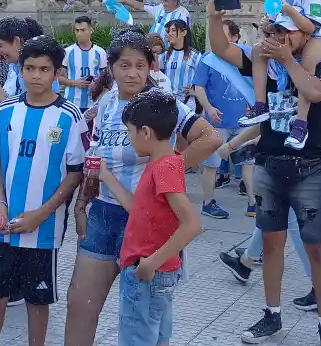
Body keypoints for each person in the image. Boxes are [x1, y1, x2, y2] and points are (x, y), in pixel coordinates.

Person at [64, 32, 220, 346]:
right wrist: (82, 204)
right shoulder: (107, 102)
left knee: (143, 318)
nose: (132, 73)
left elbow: (210, 138)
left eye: (140, 65)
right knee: (80, 305)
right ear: (111, 67)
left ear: (150, 67)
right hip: (105, 213)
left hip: (148, 221)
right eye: (124, 65)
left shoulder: (161, 103)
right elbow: (97, 157)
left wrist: (167, 171)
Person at [207, 0, 321, 346]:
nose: (280, 38)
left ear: (303, 35)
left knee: (316, 248)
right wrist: (213, 16)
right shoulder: (265, 63)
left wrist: (288, 59)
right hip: (269, 166)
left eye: (287, 33)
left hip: (309, 168)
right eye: (275, 31)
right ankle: (272, 315)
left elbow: (316, 90)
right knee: (270, 245)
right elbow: (223, 49)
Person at [0, 36, 86, 346]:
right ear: (20, 69)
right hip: (5, 225)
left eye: (44, 69)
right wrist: (0, 203)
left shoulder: (69, 116)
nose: (36, 76)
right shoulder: (7, 111)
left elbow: (74, 175)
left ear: (57, 72)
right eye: (29, 68)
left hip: (44, 230)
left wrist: (40, 214)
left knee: (37, 301)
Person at [99, 91, 201, 346]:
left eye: (129, 132)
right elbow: (139, 210)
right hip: (156, 273)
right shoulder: (165, 163)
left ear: (145, 132)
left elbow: (192, 224)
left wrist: (152, 262)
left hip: (147, 273)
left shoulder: (163, 168)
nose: (129, 139)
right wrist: (108, 177)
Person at [239, 0, 321, 151]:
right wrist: (265, 28)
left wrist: (290, 10)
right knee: (258, 49)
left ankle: (301, 124)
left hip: (317, 37)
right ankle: (261, 105)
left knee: (308, 62)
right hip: (289, 37)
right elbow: (271, 24)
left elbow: (310, 27)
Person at [192, 19, 254, 218]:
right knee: (211, 165)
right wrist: (208, 108)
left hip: (243, 121)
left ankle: (253, 203)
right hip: (217, 122)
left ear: (235, 37)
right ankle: (208, 202)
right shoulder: (208, 58)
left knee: (248, 163)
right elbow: (198, 87)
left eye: (224, 35)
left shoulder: (246, 56)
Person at [59, 15, 108, 112]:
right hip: (71, 103)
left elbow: (106, 79)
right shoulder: (68, 52)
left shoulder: (100, 52)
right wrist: (74, 82)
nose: (79, 33)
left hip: (93, 104)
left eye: (82, 30)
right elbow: (58, 77)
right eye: (77, 30)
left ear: (91, 30)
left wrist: (97, 84)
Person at [161, 19, 202, 109]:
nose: (170, 33)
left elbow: (204, 78)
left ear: (183, 33)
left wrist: (195, 92)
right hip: (167, 103)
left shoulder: (195, 55)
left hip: (187, 103)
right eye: (169, 31)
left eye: (173, 30)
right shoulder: (164, 55)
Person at [117, 0, 191, 37]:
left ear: (174, 2)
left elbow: (185, 34)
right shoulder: (159, 7)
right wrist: (124, 1)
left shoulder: (183, 13)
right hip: (152, 48)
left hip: (169, 51)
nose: (163, 3)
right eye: (163, 1)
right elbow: (141, 5)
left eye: (166, 1)